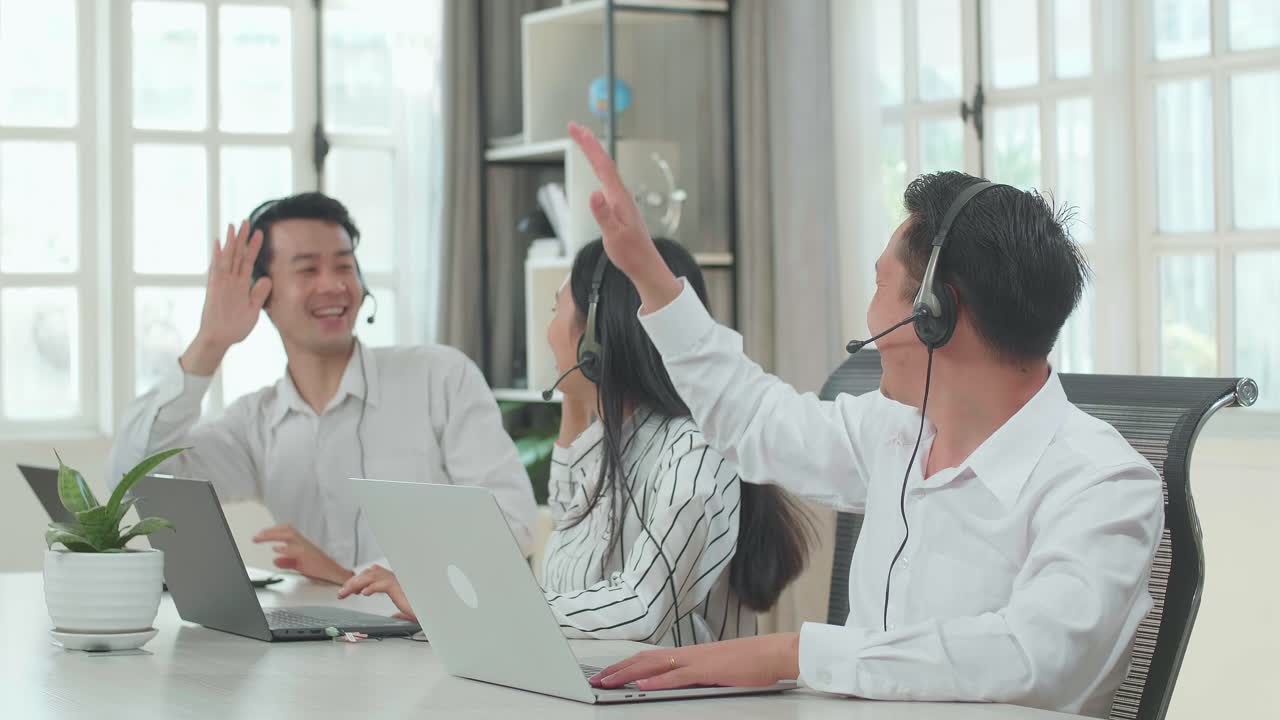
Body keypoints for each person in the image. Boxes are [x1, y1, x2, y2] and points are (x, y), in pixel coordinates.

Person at [566, 123, 1163, 717]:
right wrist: (647, 274)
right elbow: (755, 419)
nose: (871, 314)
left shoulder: (1104, 484)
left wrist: (798, 655)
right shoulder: (897, 429)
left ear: (934, 315)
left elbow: (1035, 658)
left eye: (881, 284)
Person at [341, 238, 813, 645]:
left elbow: (639, 608)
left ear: (594, 338)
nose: (547, 332)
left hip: (676, 705)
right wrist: (581, 392)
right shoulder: (613, 445)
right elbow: (568, 531)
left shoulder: (695, 452)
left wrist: (455, 606)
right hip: (600, 690)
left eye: (555, 310)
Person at [109, 192, 537, 587]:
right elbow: (135, 482)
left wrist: (357, 577)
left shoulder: (439, 377)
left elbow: (511, 522)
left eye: (345, 266)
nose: (333, 285)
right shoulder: (255, 424)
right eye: (308, 269)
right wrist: (209, 344)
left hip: (436, 637)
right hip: (322, 640)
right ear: (261, 294)